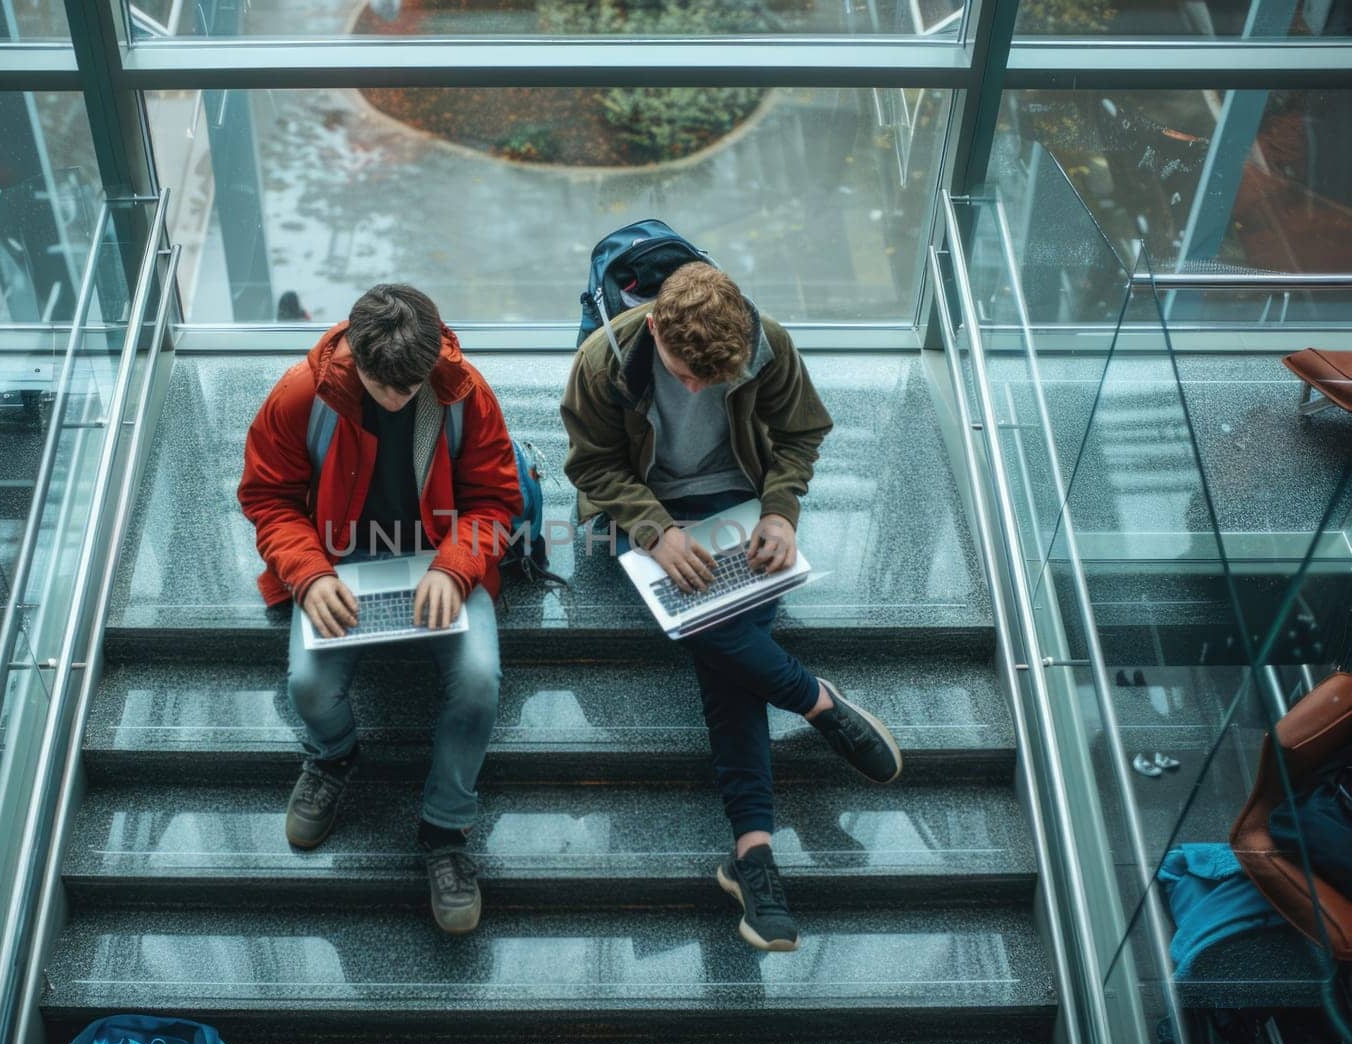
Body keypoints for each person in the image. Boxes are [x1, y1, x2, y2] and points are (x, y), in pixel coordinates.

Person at [559, 262, 902, 952]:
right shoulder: (603, 362)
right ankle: (815, 702)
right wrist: (655, 530)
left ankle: (753, 853)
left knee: (720, 643)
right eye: (682, 372)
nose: (693, 387)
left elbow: (802, 432)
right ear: (653, 326)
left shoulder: (765, 342)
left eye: (709, 380)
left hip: (736, 499)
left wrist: (780, 511)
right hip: (645, 503)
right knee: (712, 617)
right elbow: (593, 466)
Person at [238, 283, 521, 935]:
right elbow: (268, 497)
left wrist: (455, 566)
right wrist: (308, 576)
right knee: (309, 683)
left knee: (479, 681)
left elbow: (494, 500)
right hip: (337, 562)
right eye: (381, 386)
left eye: (409, 386)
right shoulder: (301, 394)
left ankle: (445, 829)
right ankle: (333, 755)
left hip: (439, 555)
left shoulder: (463, 391)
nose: (396, 398)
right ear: (353, 359)